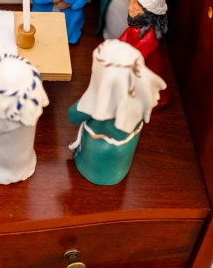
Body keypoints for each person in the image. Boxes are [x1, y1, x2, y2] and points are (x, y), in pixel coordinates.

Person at [67, 40, 166, 185]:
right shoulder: (140, 97)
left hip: (95, 158)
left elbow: (72, 116)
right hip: (123, 156)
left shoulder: (98, 103)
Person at [0, 54, 49, 185]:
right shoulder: (30, 110)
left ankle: (2, 170)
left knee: (2, 158)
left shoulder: (1, 120)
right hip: (24, 161)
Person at [119, 0, 170, 108]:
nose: (130, 8)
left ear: (149, 15)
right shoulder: (133, 29)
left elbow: (136, 57)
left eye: (136, 8)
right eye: (131, 3)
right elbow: (123, 40)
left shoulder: (149, 38)